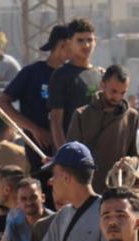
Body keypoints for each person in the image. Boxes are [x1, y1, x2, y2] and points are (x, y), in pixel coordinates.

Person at [0, 24, 71, 160]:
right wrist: (34, 129)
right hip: (40, 152)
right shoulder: (32, 73)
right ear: (62, 45)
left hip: (70, 152)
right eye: (74, 43)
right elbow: (3, 102)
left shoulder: (72, 75)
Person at [66, 65, 139, 189]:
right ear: (102, 85)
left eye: (122, 93)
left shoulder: (131, 117)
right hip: (87, 189)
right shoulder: (82, 115)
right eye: (113, 91)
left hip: (116, 189)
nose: (117, 97)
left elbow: (136, 155)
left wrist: (131, 162)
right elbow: (71, 155)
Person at [48, 18, 101, 150]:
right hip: (74, 150)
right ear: (69, 43)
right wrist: (64, 154)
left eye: (90, 40)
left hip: (98, 150)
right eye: (80, 40)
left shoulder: (100, 75)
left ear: (96, 42)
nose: (86, 45)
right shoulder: (61, 75)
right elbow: (56, 120)